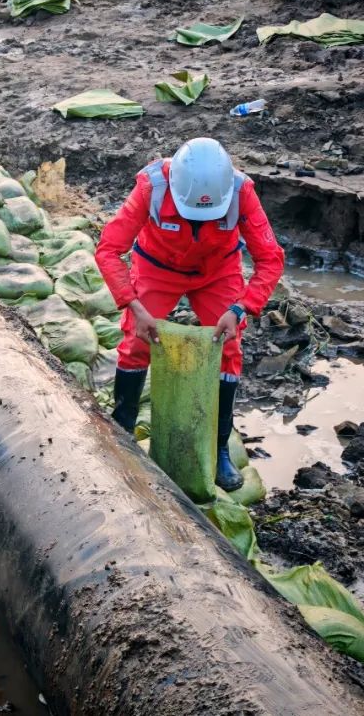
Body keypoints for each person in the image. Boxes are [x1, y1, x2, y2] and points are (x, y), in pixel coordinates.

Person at [94, 137, 284, 491]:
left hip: (217, 271)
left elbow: (271, 258)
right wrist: (133, 305)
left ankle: (219, 447)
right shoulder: (152, 186)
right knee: (137, 343)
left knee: (227, 349)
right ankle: (122, 430)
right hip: (157, 267)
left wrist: (240, 307)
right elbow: (108, 249)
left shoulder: (241, 192)